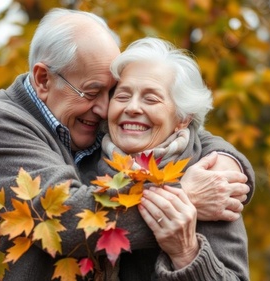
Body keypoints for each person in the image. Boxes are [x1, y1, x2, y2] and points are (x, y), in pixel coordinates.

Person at [0, 8, 254, 280]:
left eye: (109, 92)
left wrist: (229, 161)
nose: (107, 109)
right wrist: (185, 198)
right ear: (43, 80)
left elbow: (179, 130)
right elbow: (66, 220)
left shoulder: (204, 176)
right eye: (94, 92)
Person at [85, 37, 250, 280]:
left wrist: (187, 253)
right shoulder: (82, 161)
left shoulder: (209, 184)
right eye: (122, 96)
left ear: (183, 118)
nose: (132, 107)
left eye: (151, 99)